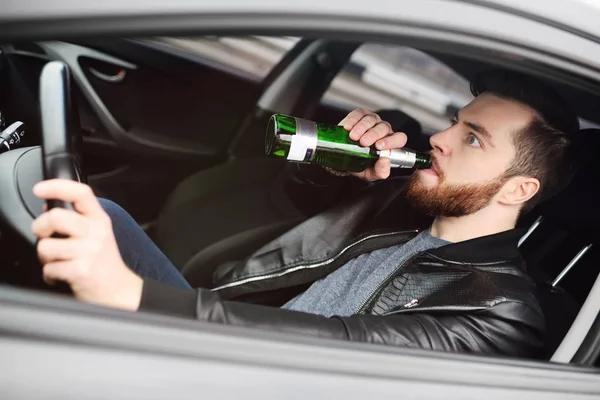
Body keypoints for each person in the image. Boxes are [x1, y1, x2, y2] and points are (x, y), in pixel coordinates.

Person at [30, 70, 579, 358]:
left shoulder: (501, 314)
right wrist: (332, 164)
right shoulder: (404, 199)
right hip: (218, 328)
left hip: (256, 373)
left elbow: (337, 347)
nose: (439, 138)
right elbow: (291, 197)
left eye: (473, 139)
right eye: (455, 122)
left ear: (518, 189)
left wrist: (130, 296)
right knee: (98, 213)